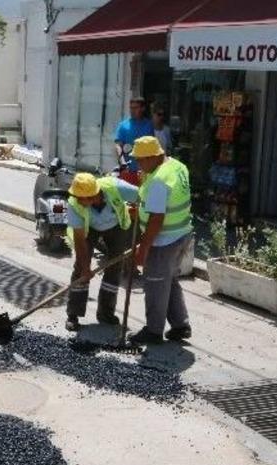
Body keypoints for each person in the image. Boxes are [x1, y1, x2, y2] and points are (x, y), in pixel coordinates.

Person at [128, 136, 193, 344]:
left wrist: (143, 249)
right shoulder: (177, 166)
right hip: (182, 233)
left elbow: (156, 219)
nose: (138, 164)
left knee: (156, 282)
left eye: (140, 160)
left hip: (164, 241)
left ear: (152, 156)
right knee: (169, 280)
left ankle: (154, 331)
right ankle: (180, 325)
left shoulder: (158, 181)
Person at [65, 172, 139, 331]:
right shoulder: (74, 204)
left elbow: (143, 197)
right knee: (80, 269)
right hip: (89, 229)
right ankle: (73, 314)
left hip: (116, 226)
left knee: (115, 268)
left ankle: (106, 312)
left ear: (93, 196)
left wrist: (139, 210)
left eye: (81, 198)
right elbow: (79, 241)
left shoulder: (115, 187)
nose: (77, 200)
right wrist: (86, 268)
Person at [114, 97, 154, 186]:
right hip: (128, 170)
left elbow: (152, 148)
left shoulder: (149, 125)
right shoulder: (123, 126)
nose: (132, 110)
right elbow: (118, 145)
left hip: (144, 171)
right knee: (127, 198)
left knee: (142, 197)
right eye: (131, 108)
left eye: (135, 108)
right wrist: (122, 162)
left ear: (142, 109)